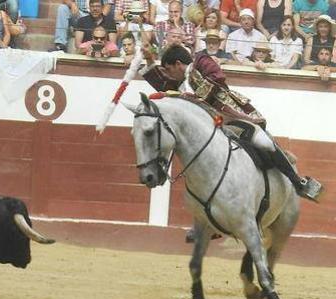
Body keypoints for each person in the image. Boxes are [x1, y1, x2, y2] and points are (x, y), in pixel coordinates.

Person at [139, 43, 324, 202]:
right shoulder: (178, 84)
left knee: (264, 143)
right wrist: (149, 61)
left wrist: (189, 96)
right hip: (208, 127)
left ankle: (297, 181)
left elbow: (216, 77)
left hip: (230, 118)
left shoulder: (201, 61)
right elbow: (162, 85)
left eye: (169, 70)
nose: (168, 76)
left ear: (178, 64)